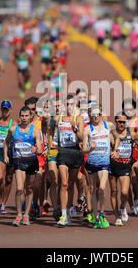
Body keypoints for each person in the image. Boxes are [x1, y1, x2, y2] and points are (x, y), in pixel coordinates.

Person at [4, 107, 43, 227]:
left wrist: (35, 150)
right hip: (19, 161)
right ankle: (18, 214)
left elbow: (40, 150)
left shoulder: (35, 131)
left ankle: (26, 214)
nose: (24, 118)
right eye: (22, 116)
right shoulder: (13, 130)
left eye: (27, 116)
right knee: (20, 188)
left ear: (30, 117)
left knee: (29, 188)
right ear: (20, 116)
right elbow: (6, 142)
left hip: (31, 161)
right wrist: (6, 155)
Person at [82, 104, 115, 229]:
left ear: (101, 114)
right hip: (91, 163)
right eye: (93, 115)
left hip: (104, 163)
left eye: (98, 114)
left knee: (102, 188)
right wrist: (90, 148)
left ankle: (101, 213)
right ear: (90, 115)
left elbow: (118, 137)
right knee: (94, 189)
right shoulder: (87, 130)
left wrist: (115, 149)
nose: (96, 117)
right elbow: (84, 150)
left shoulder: (109, 126)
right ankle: (96, 216)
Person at [53, 95, 85, 226]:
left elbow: (82, 137)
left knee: (71, 184)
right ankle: (64, 215)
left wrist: (75, 128)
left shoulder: (79, 119)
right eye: (67, 104)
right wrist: (53, 143)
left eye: (71, 104)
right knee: (64, 184)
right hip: (63, 153)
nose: (69, 107)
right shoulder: (59, 118)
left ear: (75, 105)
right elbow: (54, 134)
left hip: (75, 153)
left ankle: (70, 207)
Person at [110, 112, 138, 226]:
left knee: (124, 192)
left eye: (124, 122)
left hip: (125, 166)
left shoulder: (131, 134)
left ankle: (123, 207)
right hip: (112, 166)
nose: (122, 124)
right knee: (114, 191)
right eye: (119, 122)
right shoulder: (111, 134)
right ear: (115, 122)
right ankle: (117, 216)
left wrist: (137, 161)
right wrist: (111, 153)